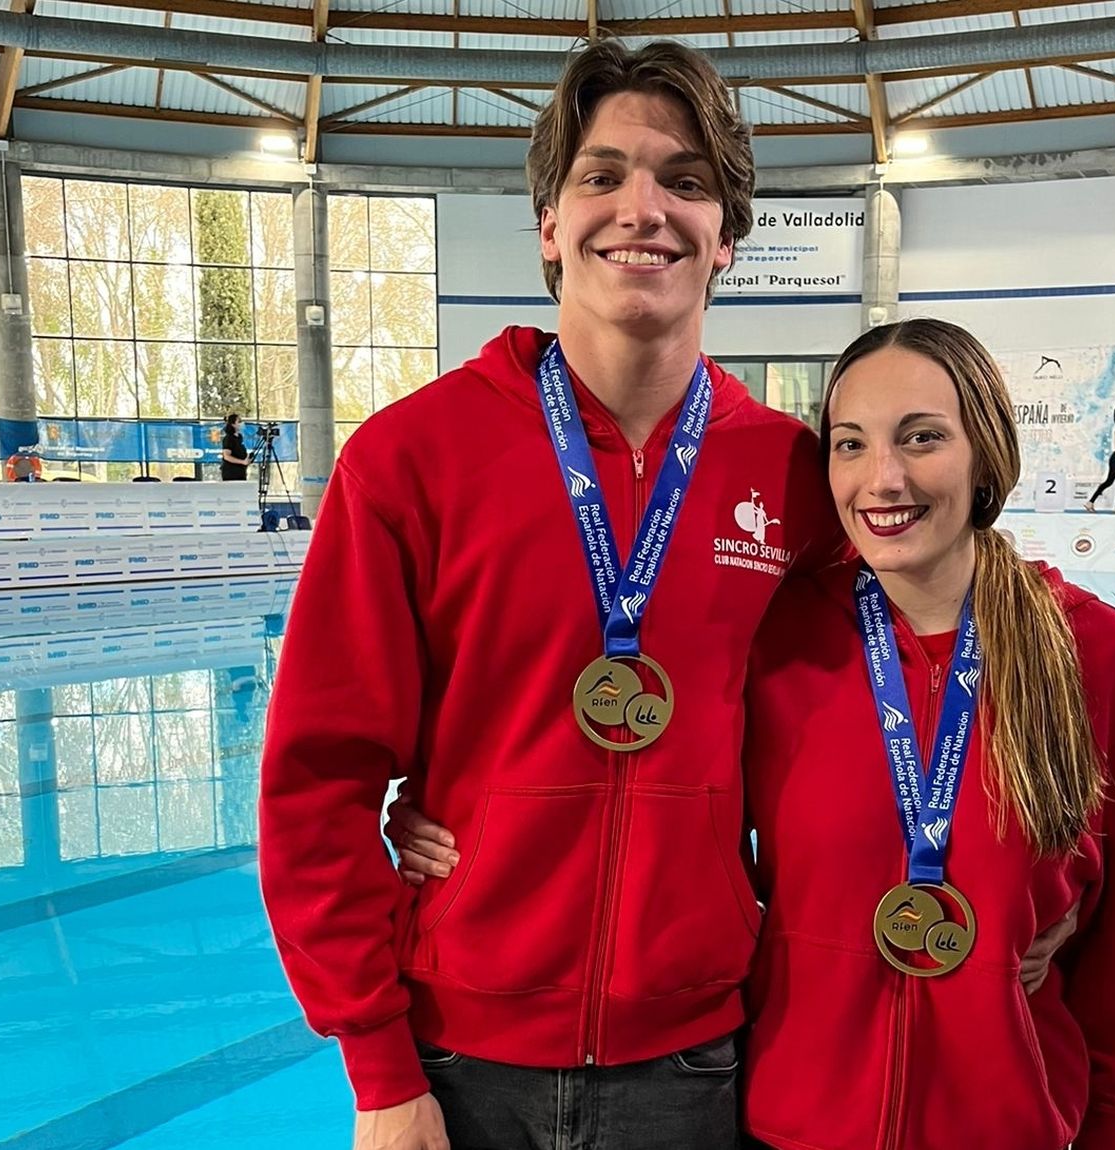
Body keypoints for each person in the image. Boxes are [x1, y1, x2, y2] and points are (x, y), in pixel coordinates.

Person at [396, 320, 1115, 1150]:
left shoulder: (1091, 653)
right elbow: (646, 791)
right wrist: (453, 809)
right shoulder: (783, 636)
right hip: (788, 1128)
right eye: (850, 443)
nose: (885, 477)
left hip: (1007, 1125)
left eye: (923, 438)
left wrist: (1110, 1127)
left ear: (986, 451)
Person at [258, 39, 839, 1150]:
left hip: (695, 1061)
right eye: (601, 174)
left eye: (684, 180)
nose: (643, 207)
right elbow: (317, 779)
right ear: (547, 225)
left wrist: (1017, 883)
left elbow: (880, 714)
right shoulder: (411, 460)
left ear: (727, 237)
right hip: (456, 1061)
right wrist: (380, 1071)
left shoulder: (791, 478)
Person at [220, 413, 252, 481]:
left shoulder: (239, 437)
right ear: (233, 424)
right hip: (231, 473)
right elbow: (227, 456)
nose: (241, 423)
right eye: (239, 421)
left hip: (241, 472)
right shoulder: (228, 438)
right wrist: (242, 462)